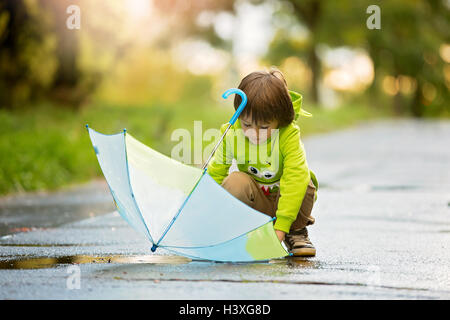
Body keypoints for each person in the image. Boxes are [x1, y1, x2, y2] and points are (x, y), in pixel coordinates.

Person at [207, 68, 319, 256]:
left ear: (279, 120)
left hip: (287, 206)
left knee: (304, 181)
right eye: (247, 124)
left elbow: (295, 177)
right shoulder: (231, 133)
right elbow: (215, 173)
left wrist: (281, 228)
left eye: (264, 127)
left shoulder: (287, 134)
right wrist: (205, 215)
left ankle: (296, 232)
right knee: (236, 180)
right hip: (255, 203)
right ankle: (243, 231)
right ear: (239, 115)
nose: (254, 133)